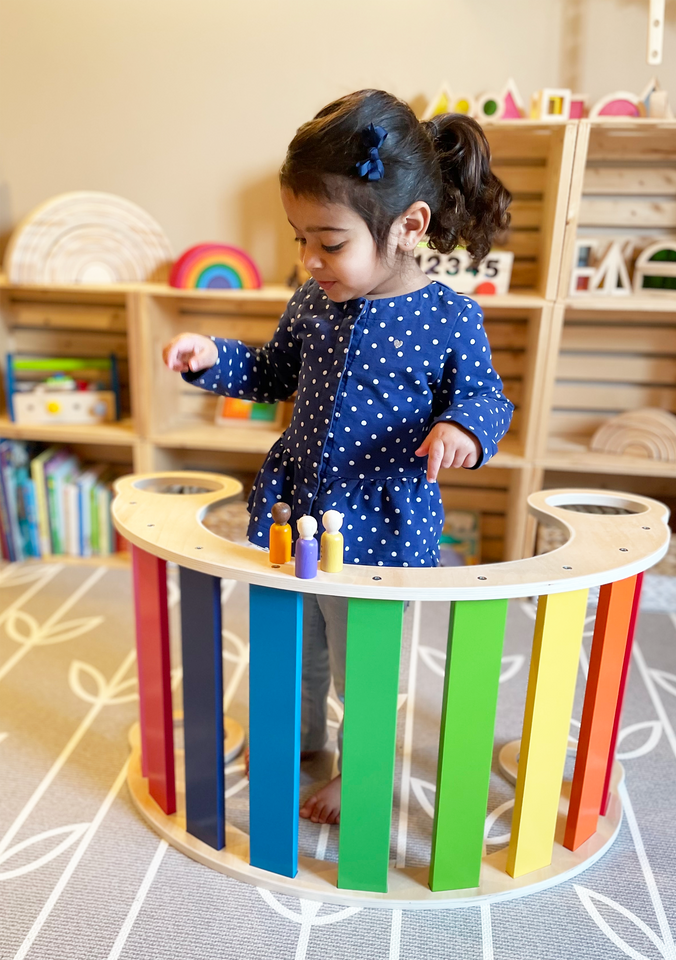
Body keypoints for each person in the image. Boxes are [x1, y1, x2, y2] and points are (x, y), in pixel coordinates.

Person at [162, 89, 514, 826]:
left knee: (365, 663)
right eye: (300, 239)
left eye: (329, 242)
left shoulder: (449, 316)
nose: (309, 259)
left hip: (382, 525)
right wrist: (212, 358)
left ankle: (365, 773)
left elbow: (486, 397)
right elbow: (272, 373)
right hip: (299, 513)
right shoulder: (312, 301)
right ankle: (298, 739)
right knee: (295, 641)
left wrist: (463, 429)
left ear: (408, 226)